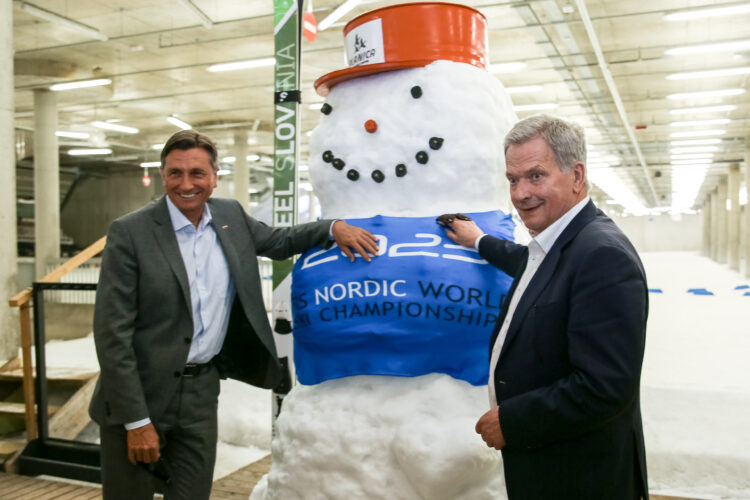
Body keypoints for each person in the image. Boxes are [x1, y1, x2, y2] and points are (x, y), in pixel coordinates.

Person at [89, 129, 379, 500]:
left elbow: (279, 242)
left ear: (214, 177)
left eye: (196, 173)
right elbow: (112, 334)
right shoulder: (131, 232)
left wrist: (332, 227)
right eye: (175, 173)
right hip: (140, 394)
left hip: (200, 393)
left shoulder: (229, 216)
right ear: (163, 175)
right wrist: (137, 421)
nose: (186, 184)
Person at [441, 114, 649, 499]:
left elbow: (605, 386)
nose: (521, 193)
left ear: (577, 175)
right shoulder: (558, 243)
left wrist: (513, 421)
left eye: (536, 176)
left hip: (580, 477)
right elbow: (527, 262)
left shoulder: (602, 256)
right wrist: (478, 240)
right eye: (513, 180)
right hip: (550, 466)